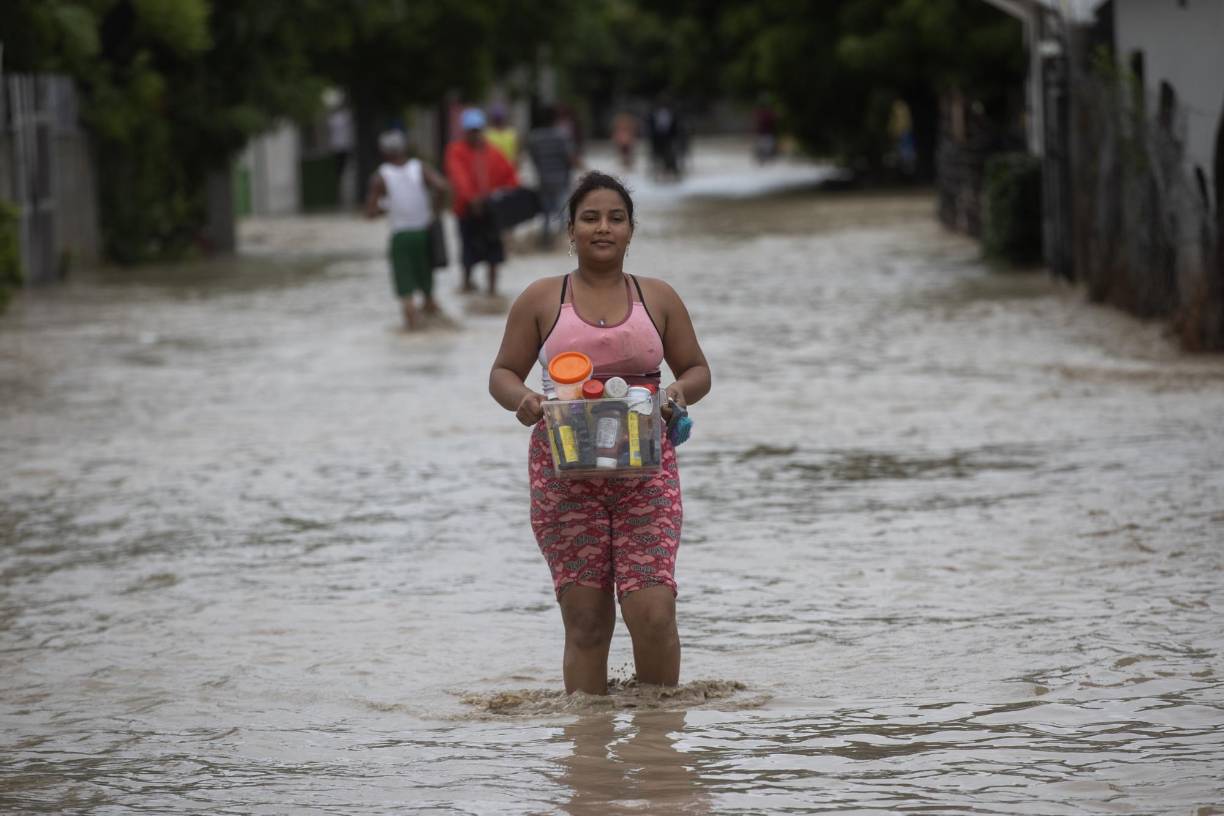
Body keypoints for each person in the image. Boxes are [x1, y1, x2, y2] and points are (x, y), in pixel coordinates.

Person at [488, 172, 711, 695]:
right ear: (570, 229)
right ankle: (589, 755)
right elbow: (501, 374)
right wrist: (525, 400)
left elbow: (698, 369)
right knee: (586, 623)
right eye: (590, 218)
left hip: (645, 474)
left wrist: (675, 394)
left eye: (616, 217)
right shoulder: (543, 299)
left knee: (653, 612)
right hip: (565, 475)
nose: (603, 227)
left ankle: (658, 741)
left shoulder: (659, 298)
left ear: (632, 230)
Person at [364, 129, 449, 330]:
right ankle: (436, 331)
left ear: (384, 152)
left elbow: (369, 212)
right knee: (427, 290)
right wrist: (435, 213)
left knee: (406, 293)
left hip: (400, 237)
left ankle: (412, 330)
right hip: (423, 234)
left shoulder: (380, 176)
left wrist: (386, 208)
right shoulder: (419, 168)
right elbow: (442, 187)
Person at [445, 107, 520, 295]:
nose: (475, 134)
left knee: (494, 252)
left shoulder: (494, 153)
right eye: (471, 131)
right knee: (467, 249)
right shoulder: (456, 151)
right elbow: (458, 177)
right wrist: (471, 199)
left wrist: (507, 198)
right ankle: (467, 283)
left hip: (491, 211)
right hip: (466, 210)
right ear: (465, 132)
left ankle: (492, 290)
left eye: (477, 130)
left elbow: (510, 177)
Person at [526, 105, 577, 249]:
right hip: (560, 178)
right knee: (561, 209)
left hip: (543, 178)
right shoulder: (562, 135)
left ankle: (546, 237)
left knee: (546, 211)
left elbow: (533, 158)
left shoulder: (535, 137)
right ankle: (560, 240)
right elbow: (569, 157)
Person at [484, 103, 520, 167]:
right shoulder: (487, 134)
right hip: (493, 168)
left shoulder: (512, 133)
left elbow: (517, 154)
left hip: (508, 167)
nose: (499, 121)